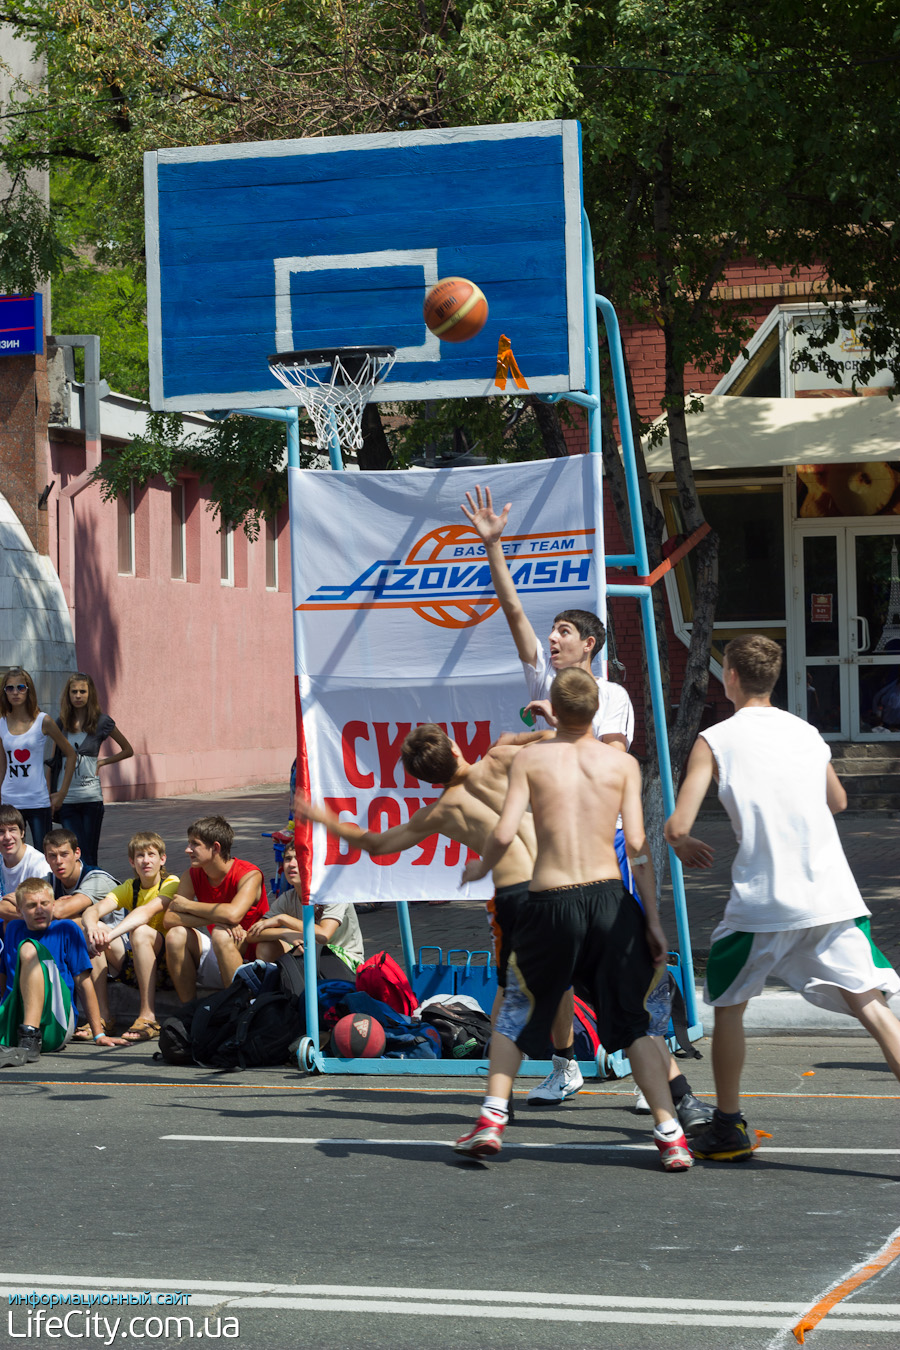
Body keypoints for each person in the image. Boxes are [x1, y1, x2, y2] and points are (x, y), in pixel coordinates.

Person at [460, 486, 708, 1128]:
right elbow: (511, 610)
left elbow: (606, 758)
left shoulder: (611, 696)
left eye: (564, 632)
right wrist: (492, 547)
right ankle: (564, 1066)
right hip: (550, 868)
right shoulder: (543, 682)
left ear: (590, 644)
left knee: (631, 976)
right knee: (547, 978)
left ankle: (651, 1074)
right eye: (553, 634)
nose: (552, 638)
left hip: (607, 861)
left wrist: (543, 733)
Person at [664, 633, 900, 1163]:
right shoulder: (807, 733)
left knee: (728, 1007)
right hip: (831, 893)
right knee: (874, 1007)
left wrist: (683, 842)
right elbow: (836, 800)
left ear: (729, 677)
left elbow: (678, 824)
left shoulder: (715, 739)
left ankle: (728, 1126)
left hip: (763, 902)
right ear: (773, 679)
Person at [455, 668, 693, 1172]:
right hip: (609, 898)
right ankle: (670, 1134)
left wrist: (479, 865)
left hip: (551, 899)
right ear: (596, 713)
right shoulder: (621, 764)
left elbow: (502, 831)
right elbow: (637, 847)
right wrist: (652, 920)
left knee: (516, 1010)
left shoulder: (532, 758)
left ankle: (492, 1118)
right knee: (634, 1027)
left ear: (554, 712)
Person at [295, 724, 544, 1015]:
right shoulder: (501, 758)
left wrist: (324, 818)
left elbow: (375, 844)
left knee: (509, 986)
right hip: (559, 877)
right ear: (454, 748)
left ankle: (524, 1054)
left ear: (426, 779)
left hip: (516, 893)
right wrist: (516, 736)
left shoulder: (440, 813)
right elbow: (560, 734)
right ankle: (564, 1056)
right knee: (563, 978)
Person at [0, 877, 125, 1063]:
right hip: (16, 1019)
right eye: (32, 905)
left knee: (28, 949)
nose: (40, 910)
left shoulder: (66, 929)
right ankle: (21, 1035)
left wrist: (99, 1034)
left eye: (45, 903)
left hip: (56, 1022)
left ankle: (30, 1035)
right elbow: (5, 977)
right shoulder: (13, 928)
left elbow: (84, 983)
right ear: (19, 910)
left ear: (53, 905)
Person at [83, 831, 181, 1042]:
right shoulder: (130, 887)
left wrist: (110, 936)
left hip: (169, 966)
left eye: (151, 854)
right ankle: (102, 1016)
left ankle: (148, 1016)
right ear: (131, 861)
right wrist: (93, 928)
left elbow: (144, 914)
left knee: (140, 931)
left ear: (162, 859)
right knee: (98, 930)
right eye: (139, 855)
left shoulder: (171, 883)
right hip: (136, 964)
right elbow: (93, 910)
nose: (145, 860)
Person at [164, 815, 269, 1002]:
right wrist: (215, 919)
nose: (187, 850)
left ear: (216, 848)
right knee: (175, 935)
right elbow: (170, 919)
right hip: (218, 950)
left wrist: (189, 906)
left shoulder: (249, 874)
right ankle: (190, 1012)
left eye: (194, 844)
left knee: (221, 934)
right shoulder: (192, 874)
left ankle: (239, 1009)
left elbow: (233, 914)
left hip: (254, 958)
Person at [245, 841, 364, 980]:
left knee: (307, 951)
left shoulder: (334, 893)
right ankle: (283, 993)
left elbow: (323, 935)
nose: (291, 864)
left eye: (299, 859)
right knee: (266, 947)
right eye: (288, 859)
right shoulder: (288, 898)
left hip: (346, 961)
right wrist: (285, 933)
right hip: (310, 952)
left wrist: (282, 919)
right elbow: (252, 934)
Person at [50, 672, 134, 869]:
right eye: (74, 692)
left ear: (90, 694)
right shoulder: (61, 722)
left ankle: (92, 893)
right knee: (73, 849)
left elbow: (128, 750)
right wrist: (52, 794)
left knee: (89, 851)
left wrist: (103, 762)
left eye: (82, 691)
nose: (78, 696)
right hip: (67, 799)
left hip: (91, 799)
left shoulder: (102, 722)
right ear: (68, 695)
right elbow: (53, 762)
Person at [43, 828, 121, 1035]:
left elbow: (59, 911)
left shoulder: (96, 879)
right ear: (46, 858)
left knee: (85, 930)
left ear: (77, 853)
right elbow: (15, 903)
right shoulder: (49, 881)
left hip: (123, 952)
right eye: (53, 855)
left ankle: (104, 1016)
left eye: (64, 854)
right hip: (95, 951)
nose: (59, 861)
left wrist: (51, 907)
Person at [0, 668, 76, 852]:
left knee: (44, 855)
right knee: (10, 855)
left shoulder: (43, 721)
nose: (15, 692)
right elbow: (2, 765)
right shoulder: (1, 722)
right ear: (4, 692)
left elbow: (71, 754)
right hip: (9, 800)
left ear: (28, 689)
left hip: (38, 801)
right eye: (10, 688)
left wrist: (62, 792)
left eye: (20, 687)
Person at [0, 805, 51, 919]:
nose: (7, 837)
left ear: (22, 833)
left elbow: (40, 913)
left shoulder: (38, 865)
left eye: (12, 830)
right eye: (1, 832)